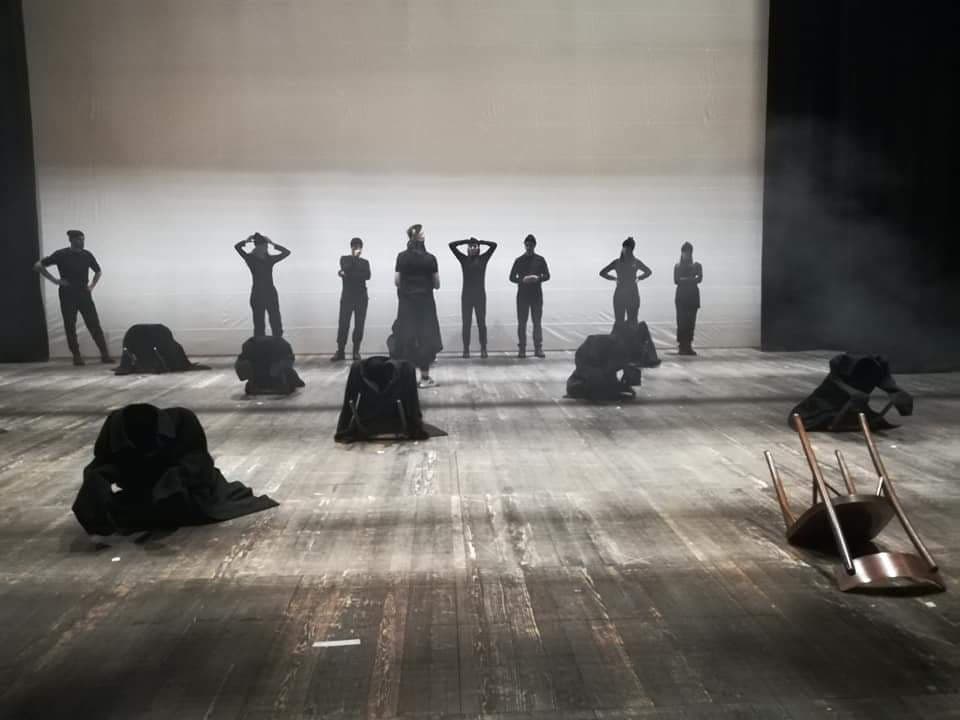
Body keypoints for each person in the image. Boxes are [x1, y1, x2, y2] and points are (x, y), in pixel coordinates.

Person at [34, 229, 114, 365]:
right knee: (70, 325)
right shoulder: (61, 254)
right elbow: (38, 265)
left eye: (83, 239)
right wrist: (55, 280)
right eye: (79, 239)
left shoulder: (87, 255)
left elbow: (98, 271)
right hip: (67, 293)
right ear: (71, 240)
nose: (82, 242)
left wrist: (92, 286)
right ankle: (76, 356)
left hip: (83, 292)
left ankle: (105, 355)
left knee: (94, 323)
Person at [390, 224, 442, 387]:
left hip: (406, 304)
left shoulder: (401, 257)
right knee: (425, 338)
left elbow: (397, 281)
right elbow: (437, 284)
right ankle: (425, 378)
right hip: (425, 305)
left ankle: (406, 379)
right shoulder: (430, 258)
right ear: (420, 237)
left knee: (406, 337)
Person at [449, 236, 497, 358]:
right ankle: (466, 349)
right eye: (470, 247)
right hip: (466, 296)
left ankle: (483, 348)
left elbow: (494, 245)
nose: (472, 248)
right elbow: (451, 245)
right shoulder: (463, 259)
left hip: (480, 296)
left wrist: (480, 242)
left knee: (481, 323)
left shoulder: (483, 259)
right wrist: (466, 241)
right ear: (467, 248)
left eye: (474, 246)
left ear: (478, 248)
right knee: (466, 324)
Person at [234, 232, 290, 337]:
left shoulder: (268, 259)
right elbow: (237, 247)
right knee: (259, 322)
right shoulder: (252, 259)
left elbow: (287, 252)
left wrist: (272, 243)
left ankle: (277, 340)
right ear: (259, 247)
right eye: (265, 246)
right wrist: (247, 241)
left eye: (266, 246)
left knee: (275, 320)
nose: (266, 248)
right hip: (259, 294)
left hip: (268, 293)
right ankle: (261, 341)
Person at [509, 234, 550, 358]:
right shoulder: (519, 260)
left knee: (537, 322)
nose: (529, 247)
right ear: (524, 245)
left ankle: (538, 348)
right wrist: (522, 280)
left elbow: (547, 275)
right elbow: (511, 277)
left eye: (531, 245)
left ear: (534, 245)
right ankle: (522, 349)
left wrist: (538, 278)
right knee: (522, 323)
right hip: (523, 296)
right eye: (527, 245)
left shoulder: (540, 260)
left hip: (536, 295)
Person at [599, 237, 652, 333]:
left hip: (632, 295)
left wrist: (639, 278)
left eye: (628, 249)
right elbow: (602, 273)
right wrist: (614, 278)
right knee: (620, 322)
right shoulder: (617, 262)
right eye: (625, 248)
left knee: (632, 322)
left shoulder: (635, 262)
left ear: (632, 250)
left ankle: (632, 341)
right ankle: (619, 340)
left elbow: (648, 272)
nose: (626, 250)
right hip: (621, 295)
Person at [332, 237, 371, 362]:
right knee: (343, 324)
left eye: (359, 247)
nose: (357, 249)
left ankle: (356, 351)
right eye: (355, 246)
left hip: (361, 298)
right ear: (351, 247)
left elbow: (367, 276)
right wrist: (353, 261)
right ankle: (340, 351)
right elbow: (345, 268)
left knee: (359, 325)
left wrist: (348, 275)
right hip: (347, 297)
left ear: (361, 248)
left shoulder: (365, 262)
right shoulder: (344, 259)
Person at [674, 241, 703, 355]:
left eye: (689, 252)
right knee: (681, 322)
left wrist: (685, 279)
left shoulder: (697, 265)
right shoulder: (678, 266)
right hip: (681, 297)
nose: (687, 254)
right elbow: (676, 280)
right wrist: (692, 279)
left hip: (692, 297)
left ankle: (688, 345)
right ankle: (682, 346)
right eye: (685, 252)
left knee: (691, 322)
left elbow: (699, 279)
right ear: (682, 253)